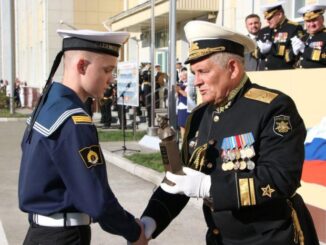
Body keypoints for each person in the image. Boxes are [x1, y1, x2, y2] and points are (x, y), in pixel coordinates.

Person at [140, 20, 319, 245]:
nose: (196, 81)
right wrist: (149, 223)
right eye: (194, 72)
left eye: (203, 72)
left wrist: (209, 187)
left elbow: (282, 179)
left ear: (232, 68)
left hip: (271, 238)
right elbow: (180, 178)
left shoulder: (273, 108)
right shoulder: (198, 116)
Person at [18, 29, 146, 245]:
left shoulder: (48, 104)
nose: (111, 79)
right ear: (81, 66)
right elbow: (96, 199)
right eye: (107, 70)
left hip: (38, 234)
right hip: (64, 237)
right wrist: (133, 231)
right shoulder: (74, 120)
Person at [257, 1, 304, 70]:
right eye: (266, 18)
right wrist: (261, 51)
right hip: (264, 72)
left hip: (282, 72)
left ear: (279, 14)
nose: (267, 21)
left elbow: (295, 52)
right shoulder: (264, 31)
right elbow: (255, 53)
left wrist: (271, 49)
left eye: (270, 18)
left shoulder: (293, 28)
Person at [291, 4, 326, 68]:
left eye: (314, 20)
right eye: (308, 21)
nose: (311, 24)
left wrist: (305, 50)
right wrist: (293, 53)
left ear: (322, 19)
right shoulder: (303, 37)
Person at [176, 70, 189, 139]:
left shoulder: (190, 84)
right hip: (180, 106)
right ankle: (183, 141)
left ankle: (187, 141)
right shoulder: (180, 84)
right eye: (180, 76)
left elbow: (187, 95)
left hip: (187, 107)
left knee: (186, 125)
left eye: (183, 75)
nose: (182, 77)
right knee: (181, 125)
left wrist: (179, 90)